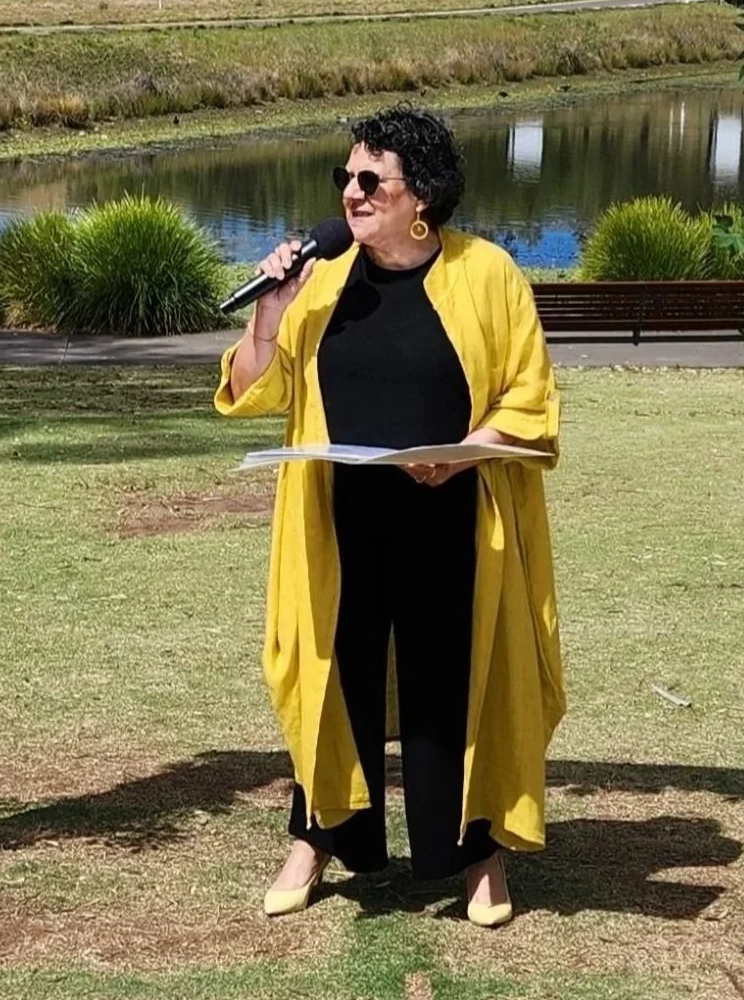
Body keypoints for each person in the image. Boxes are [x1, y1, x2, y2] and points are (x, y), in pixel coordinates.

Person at [215, 105, 563, 929]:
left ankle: (476, 856)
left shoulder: (487, 273)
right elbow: (258, 387)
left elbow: (530, 394)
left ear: (423, 198)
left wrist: (467, 450)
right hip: (338, 525)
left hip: (456, 526)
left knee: (454, 687)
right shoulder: (322, 277)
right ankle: (317, 837)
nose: (351, 193)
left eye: (371, 179)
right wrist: (270, 307)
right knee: (334, 682)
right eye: (345, 177)